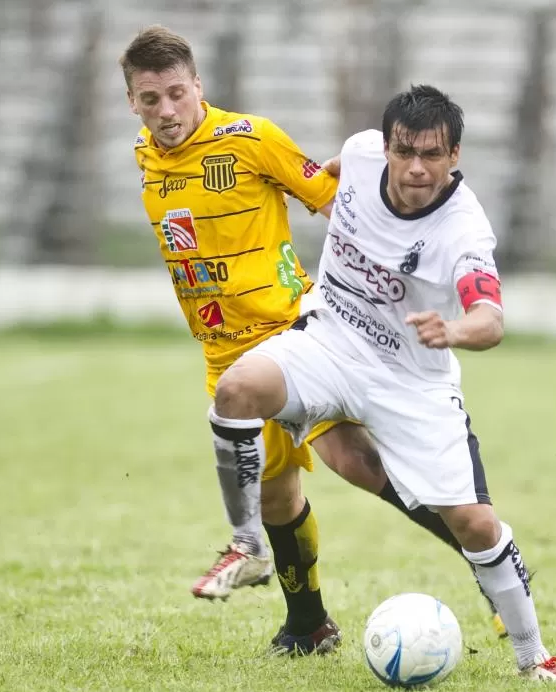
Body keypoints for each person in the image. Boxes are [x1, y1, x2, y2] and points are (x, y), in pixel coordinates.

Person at [119, 26, 507, 654]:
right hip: (222, 352)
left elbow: (340, 200)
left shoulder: (251, 140)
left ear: (199, 87)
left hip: (294, 328)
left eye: (176, 93)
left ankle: (482, 554)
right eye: (149, 99)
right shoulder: (146, 155)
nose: (166, 111)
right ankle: (310, 625)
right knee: (280, 490)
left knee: (352, 463)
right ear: (133, 103)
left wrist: (402, 277)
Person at [208, 84, 556, 682]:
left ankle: (534, 658)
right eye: (404, 151)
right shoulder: (359, 154)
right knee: (236, 390)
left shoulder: (464, 229)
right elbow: (330, 172)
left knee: (477, 526)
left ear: (455, 154)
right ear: (386, 146)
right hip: (329, 341)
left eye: (432, 154)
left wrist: (454, 331)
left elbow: (491, 320)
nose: (416, 168)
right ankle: (246, 544)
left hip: (412, 381)